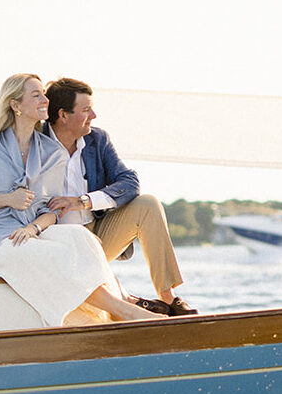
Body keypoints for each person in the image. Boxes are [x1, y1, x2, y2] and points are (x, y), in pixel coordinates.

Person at [0, 74, 163, 326]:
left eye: (44, 94)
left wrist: (33, 226)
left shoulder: (50, 150)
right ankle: (124, 310)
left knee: (81, 238)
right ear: (15, 105)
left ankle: (118, 305)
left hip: (32, 231)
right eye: (36, 95)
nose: (45, 99)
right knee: (45, 254)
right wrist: (7, 199)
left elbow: (51, 211)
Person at [43, 77, 196, 316]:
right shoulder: (35, 142)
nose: (93, 115)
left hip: (97, 232)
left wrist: (84, 201)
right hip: (57, 241)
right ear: (63, 115)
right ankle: (127, 301)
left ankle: (168, 300)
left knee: (148, 203)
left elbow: (129, 182)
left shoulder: (97, 139)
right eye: (86, 110)